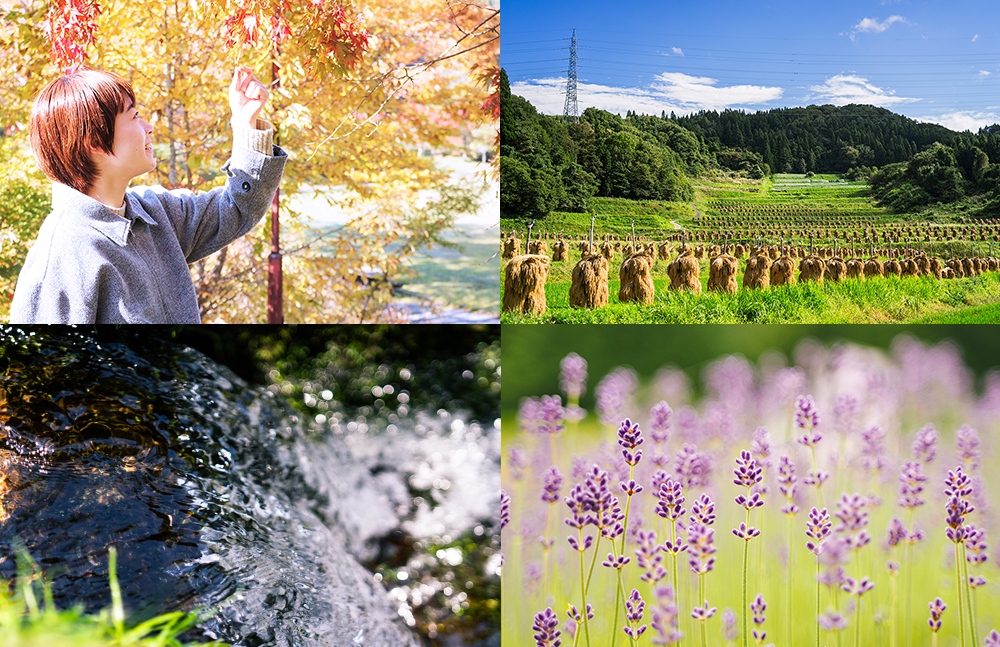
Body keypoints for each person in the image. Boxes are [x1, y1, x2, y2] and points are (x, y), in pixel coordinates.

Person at [9, 65, 287, 323]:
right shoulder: (62, 257)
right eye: (134, 116)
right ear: (94, 141)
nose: (148, 127)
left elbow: (237, 208)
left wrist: (246, 126)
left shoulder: (156, 211)